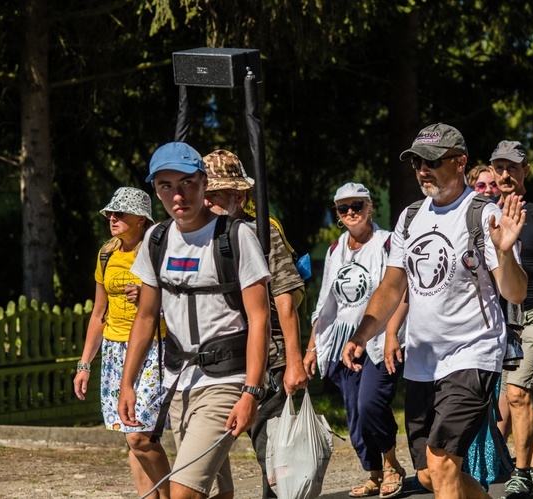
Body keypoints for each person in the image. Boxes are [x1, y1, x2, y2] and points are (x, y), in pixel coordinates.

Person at [342, 123, 528, 499]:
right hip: (423, 361)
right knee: (429, 474)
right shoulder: (411, 217)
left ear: (460, 163)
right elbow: (393, 285)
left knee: (442, 463)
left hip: (472, 353)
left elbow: (516, 292)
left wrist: (505, 252)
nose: (422, 170)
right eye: (416, 163)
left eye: (432, 161)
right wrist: (362, 334)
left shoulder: (483, 214)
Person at [117, 142, 271, 499]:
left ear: (204, 183)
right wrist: (129, 383)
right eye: (165, 186)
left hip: (225, 380)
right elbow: (145, 316)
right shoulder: (156, 240)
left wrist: (250, 390)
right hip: (179, 381)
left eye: (186, 183)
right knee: (216, 492)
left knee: (184, 492)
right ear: (155, 190)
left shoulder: (234, 237)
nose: (177, 195)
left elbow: (259, 318)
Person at [201, 149, 309, 498]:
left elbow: (285, 299)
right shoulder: (196, 235)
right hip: (219, 360)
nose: (209, 201)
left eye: (216, 194)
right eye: (205, 193)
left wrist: (294, 362)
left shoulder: (262, 231)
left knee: (277, 458)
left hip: (269, 359)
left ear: (240, 195)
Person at [304, 181, 407, 499]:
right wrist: (312, 348)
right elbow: (325, 304)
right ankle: (373, 472)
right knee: (354, 412)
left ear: (370, 207)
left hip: (378, 341)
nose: (350, 212)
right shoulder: (336, 249)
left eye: (357, 206)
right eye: (343, 208)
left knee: (371, 403)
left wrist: (391, 334)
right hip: (342, 342)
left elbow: (401, 290)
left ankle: (392, 465)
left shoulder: (388, 242)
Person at [73, 187, 171, 498]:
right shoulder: (107, 253)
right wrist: (84, 364)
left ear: (142, 219)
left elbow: (182, 297)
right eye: (110, 213)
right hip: (115, 351)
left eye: (120, 213)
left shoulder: (160, 249)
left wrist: (151, 297)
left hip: (154, 346)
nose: (112, 218)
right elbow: (98, 313)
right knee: (130, 434)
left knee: (140, 436)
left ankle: (173, 495)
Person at [488, 140, 533, 498]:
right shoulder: (485, 213)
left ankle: (520, 471)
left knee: (517, 392)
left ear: (524, 171)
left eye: (512, 168)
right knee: (522, 396)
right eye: (499, 168)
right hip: (502, 318)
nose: (505, 174)